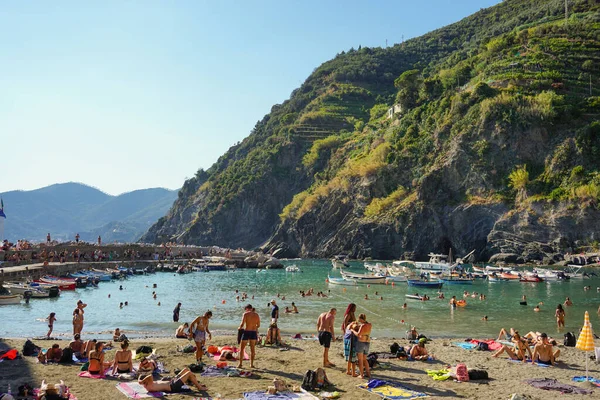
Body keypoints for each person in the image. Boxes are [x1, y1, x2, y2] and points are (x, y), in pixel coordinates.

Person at [139, 367, 207, 392]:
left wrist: (141, 380)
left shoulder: (148, 383)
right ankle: (199, 387)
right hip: (173, 386)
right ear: (145, 380)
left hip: (172, 381)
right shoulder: (149, 386)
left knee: (185, 369)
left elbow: (147, 376)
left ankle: (195, 383)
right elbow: (150, 376)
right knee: (188, 373)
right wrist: (141, 381)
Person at [238, 304, 260, 369]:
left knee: (242, 349)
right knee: (252, 349)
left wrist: (239, 327)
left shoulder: (245, 314)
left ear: (247, 308)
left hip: (247, 331)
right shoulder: (256, 315)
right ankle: (251, 364)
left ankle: (240, 364)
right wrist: (254, 327)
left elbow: (242, 323)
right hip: (253, 332)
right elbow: (258, 325)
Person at [350, 313, 372, 379]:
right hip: (367, 342)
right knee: (365, 359)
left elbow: (358, 334)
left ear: (360, 318)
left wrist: (352, 330)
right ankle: (368, 373)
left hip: (361, 342)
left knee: (360, 360)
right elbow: (365, 330)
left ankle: (361, 375)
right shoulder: (369, 324)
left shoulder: (362, 326)